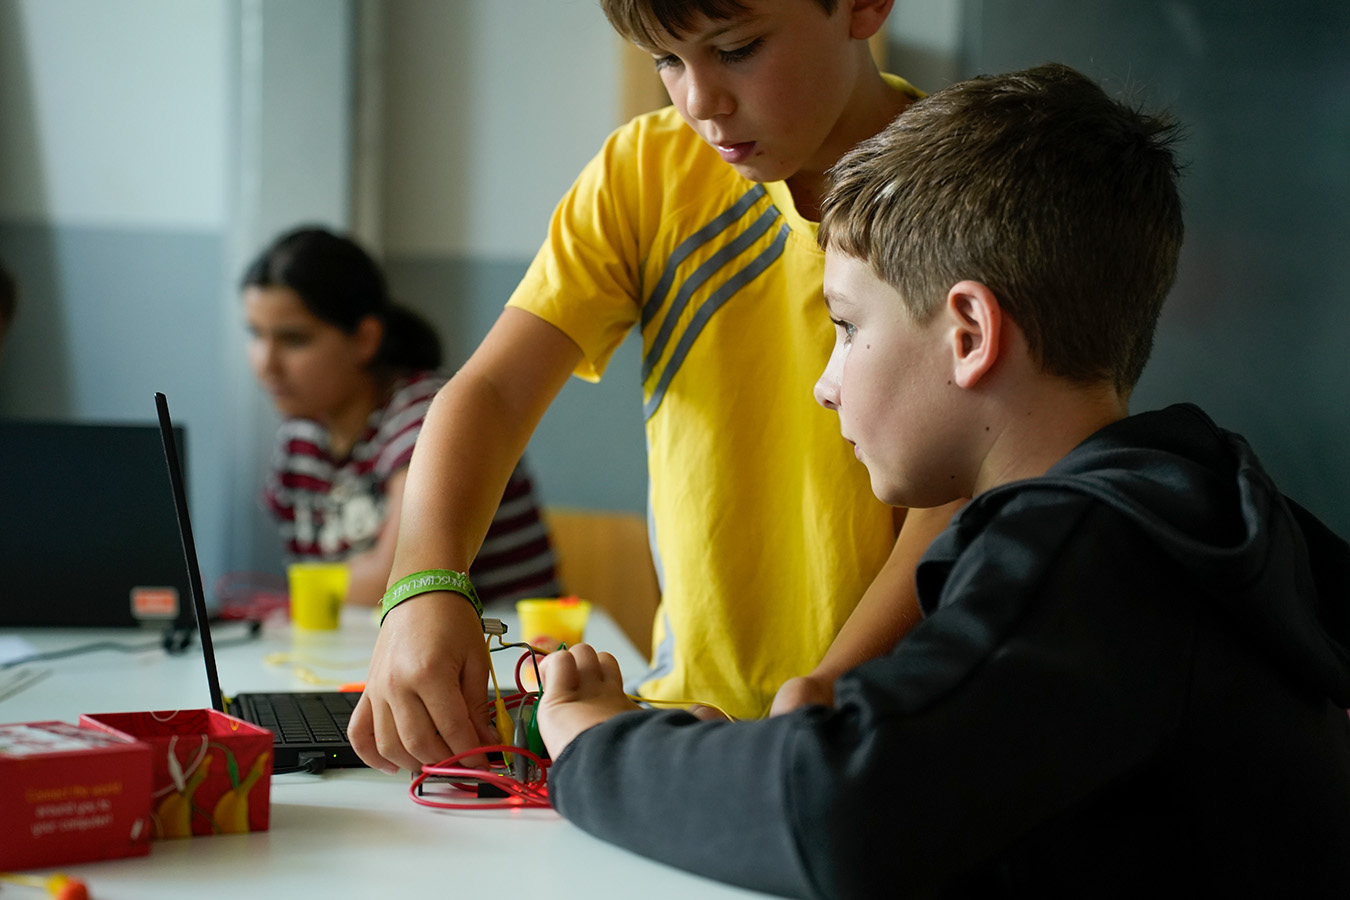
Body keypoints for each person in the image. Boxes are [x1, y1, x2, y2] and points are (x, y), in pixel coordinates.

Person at [533, 63, 1350, 897]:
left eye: (846, 326)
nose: (827, 381)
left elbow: (841, 811)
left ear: (968, 334)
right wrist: (721, 763)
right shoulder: (1190, 513)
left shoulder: (1084, 552)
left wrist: (596, 745)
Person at [351, 0, 962, 774]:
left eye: (738, 48)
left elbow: (959, 489)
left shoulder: (965, 188)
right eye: (666, 61)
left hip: (883, 730)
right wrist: (423, 585)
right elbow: (494, 394)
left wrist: (821, 695)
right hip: (690, 713)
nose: (700, 101)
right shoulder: (648, 172)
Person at [242, 226, 560, 608]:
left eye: (294, 339)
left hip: (508, 652)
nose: (266, 364)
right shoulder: (300, 434)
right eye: (256, 335)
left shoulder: (428, 411)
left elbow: (393, 583)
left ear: (365, 339)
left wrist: (292, 599)